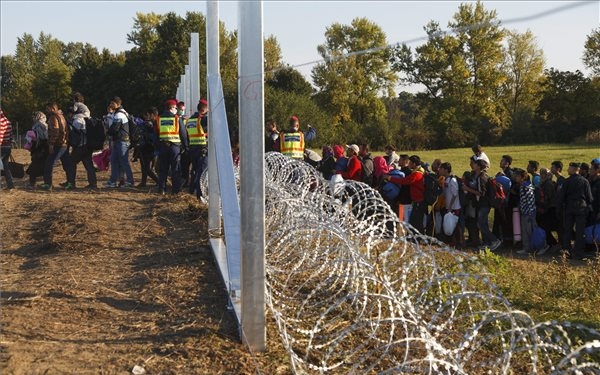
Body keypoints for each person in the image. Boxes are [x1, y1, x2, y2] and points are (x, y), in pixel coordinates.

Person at [461, 158, 502, 251]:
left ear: (479, 166)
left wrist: (467, 189)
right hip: (480, 204)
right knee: (483, 224)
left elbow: (481, 193)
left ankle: (494, 240)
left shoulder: (482, 177)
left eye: (474, 164)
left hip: (484, 204)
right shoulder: (476, 175)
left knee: (481, 224)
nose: (472, 165)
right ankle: (487, 243)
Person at [557, 162, 593, 260]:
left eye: (569, 168)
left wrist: (559, 209)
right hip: (581, 208)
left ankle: (567, 251)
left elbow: (561, 197)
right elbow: (589, 197)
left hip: (569, 208)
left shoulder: (566, 182)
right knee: (580, 232)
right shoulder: (585, 181)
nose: (568, 170)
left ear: (574, 169)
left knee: (567, 230)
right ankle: (579, 252)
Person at [384, 155, 426, 233]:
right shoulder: (418, 172)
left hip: (416, 201)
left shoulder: (416, 174)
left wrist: (390, 178)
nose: (408, 164)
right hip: (415, 200)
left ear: (414, 164)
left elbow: (404, 181)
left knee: (413, 221)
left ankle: (415, 237)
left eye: (410, 162)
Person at [155, 98, 188, 195]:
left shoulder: (159, 119)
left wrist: (158, 147)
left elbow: (156, 135)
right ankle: (175, 190)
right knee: (175, 169)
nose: (176, 109)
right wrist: (186, 146)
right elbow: (183, 134)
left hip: (163, 146)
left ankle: (162, 189)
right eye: (175, 108)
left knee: (163, 169)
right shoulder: (177, 118)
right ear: (172, 108)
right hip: (174, 147)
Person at [40, 102, 75, 191]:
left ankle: (48, 184)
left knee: (49, 163)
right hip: (64, 143)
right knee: (67, 164)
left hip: (58, 144)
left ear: (52, 108)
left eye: (48, 108)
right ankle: (70, 183)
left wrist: (51, 144)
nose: (46, 111)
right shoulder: (62, 116)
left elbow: (55, 131)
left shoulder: (53, 117)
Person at [104, 97, 134, 188]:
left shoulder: (119, 115)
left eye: (112, 103)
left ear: (117, 104)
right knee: (114, 160)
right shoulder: (120, 113)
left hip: (122, 141)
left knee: (124, 162)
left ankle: (130, 181)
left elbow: (114, 128)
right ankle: (113, 181)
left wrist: (108, 132)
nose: (111, 105)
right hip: (118, 140)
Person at [69, 93, 97, 188]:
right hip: (88, 145)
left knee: (71, 163)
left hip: (80, 146)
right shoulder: (88, 118)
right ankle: (93, 183)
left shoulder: (78, 119)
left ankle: (71, 183)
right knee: (88, 165)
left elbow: (75, 133)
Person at [438, 162, 464, 248]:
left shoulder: (452, 180)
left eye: (441, 169)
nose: (439, 170)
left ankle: (458, 243)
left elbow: (455, 194)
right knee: (449, 224)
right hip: (449, 206)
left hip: (455, 207)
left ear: (446, 170)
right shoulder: (445, 179)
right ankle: (451, 242)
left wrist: (450, 206)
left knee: (455, 225)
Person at [186, 99, 208, 198]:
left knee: (194, 170)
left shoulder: (190, 119)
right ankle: (200, 194)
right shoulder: (203, 119)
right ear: (204, 110)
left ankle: (191, 190)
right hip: (202, 149)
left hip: (192, 148)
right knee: (202, 172)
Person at [514, 169, 538, 255]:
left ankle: (529, 248)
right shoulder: (524, 186)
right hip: (526, 211)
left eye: (517, 176)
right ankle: (528, 247)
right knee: (526, 230)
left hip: (528, 212)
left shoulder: (525, 187)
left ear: (522, 177)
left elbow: (530, 200)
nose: (515, 178)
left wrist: (529, 212)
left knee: (528, 231)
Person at [25, 111, 49, 189]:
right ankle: (46, 183)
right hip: (45, 148)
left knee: (34, 167)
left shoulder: (37, 126)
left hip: (38, 148)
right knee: (44, 166)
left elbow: (36, 138)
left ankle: (32, 184)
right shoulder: (46, 125)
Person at [136, 107, 159, 187]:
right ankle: (143, 182)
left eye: (148, 115)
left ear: (152, 114)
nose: (147, 116)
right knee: (145, 166)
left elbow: (146, 135)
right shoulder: (156, 122)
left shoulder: (149, 123)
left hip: (147, 147)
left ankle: (159, 182)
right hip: (151, 147)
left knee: (147, 168)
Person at [0, 109, 15, 190]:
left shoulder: (1, 122)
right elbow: (11, 136)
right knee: (5, 166)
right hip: (8, 147)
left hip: (1, 147)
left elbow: (0, 136)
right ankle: (10, 185)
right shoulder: (8, 121)